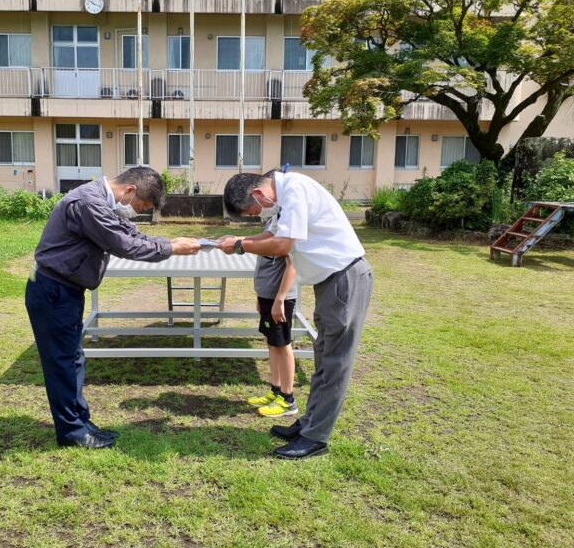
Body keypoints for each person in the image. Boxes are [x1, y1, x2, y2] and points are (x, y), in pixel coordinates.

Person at [26, 167, 200, 449]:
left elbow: (128, 231)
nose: (136, 212)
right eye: (140, 207)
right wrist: (171, 249)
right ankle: (72, 433)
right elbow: (125, 245)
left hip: (63, 289)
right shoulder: (89, 203)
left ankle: (80, 422)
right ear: (130, 190)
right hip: (53, 291)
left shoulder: (100, 201)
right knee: (63, 363)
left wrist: (168, 243)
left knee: (72, 360)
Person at [219, 171, 373, 460]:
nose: (257, 216)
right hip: (331, 281)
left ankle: (316, 438)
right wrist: (241, 239)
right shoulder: (284, 198)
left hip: (345, 278)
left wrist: (240, 245)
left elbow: (282, 245)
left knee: (335, 363)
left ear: (258, 195)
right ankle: (308, 425)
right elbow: (271, 235)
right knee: (324, 358)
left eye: (253, 212)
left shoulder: (295, 190)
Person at [247, 211, 299, 419]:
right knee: (272, 343)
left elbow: (292, 266)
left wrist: (279, 300)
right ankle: (275, 390)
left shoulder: (290, 223)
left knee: (282, 344)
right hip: (268, 296)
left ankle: (288, 399)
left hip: (280, 299)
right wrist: (263, 297)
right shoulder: (276, 219)